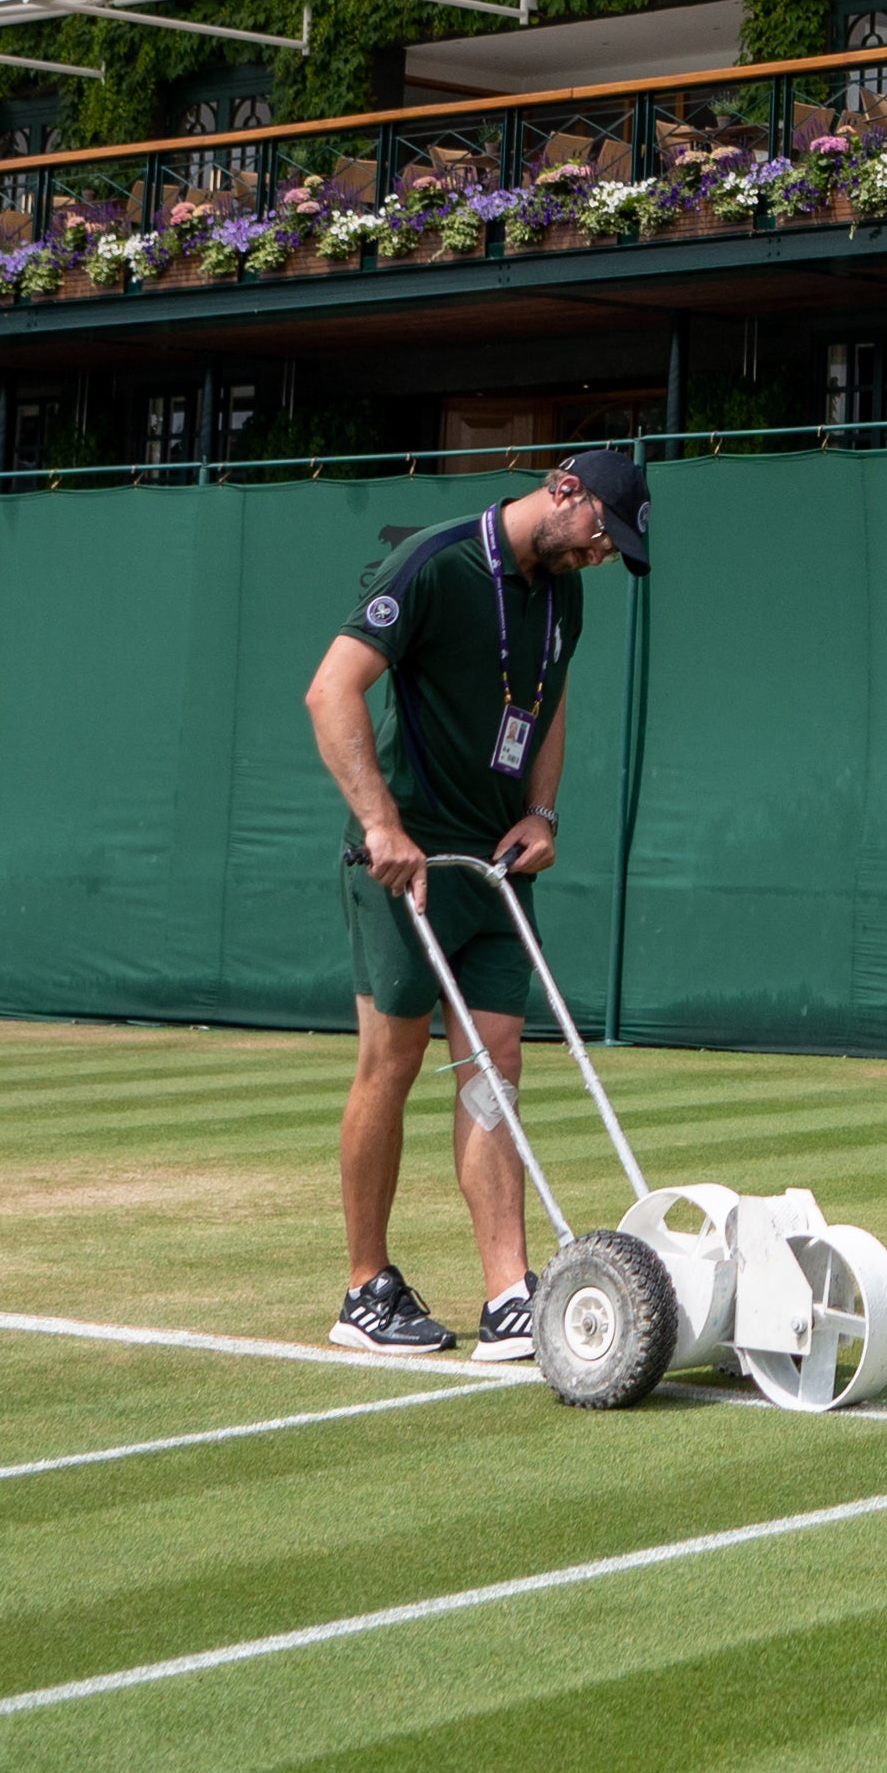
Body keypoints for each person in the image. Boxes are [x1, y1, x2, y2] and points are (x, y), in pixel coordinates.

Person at [303, 441, 649, 1355]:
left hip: (493, 867)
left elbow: (549, 703)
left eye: (612, 547)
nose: (600, 553)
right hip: (404, 862)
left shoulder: (562, 591)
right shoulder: (434, 561)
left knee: (494, 1067)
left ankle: (508, 1296)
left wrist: (542, 810)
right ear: (562, 490)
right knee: (394, 1057)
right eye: (600, 533)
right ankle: (363, 1287)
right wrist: (380, 823)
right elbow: (330, 690)